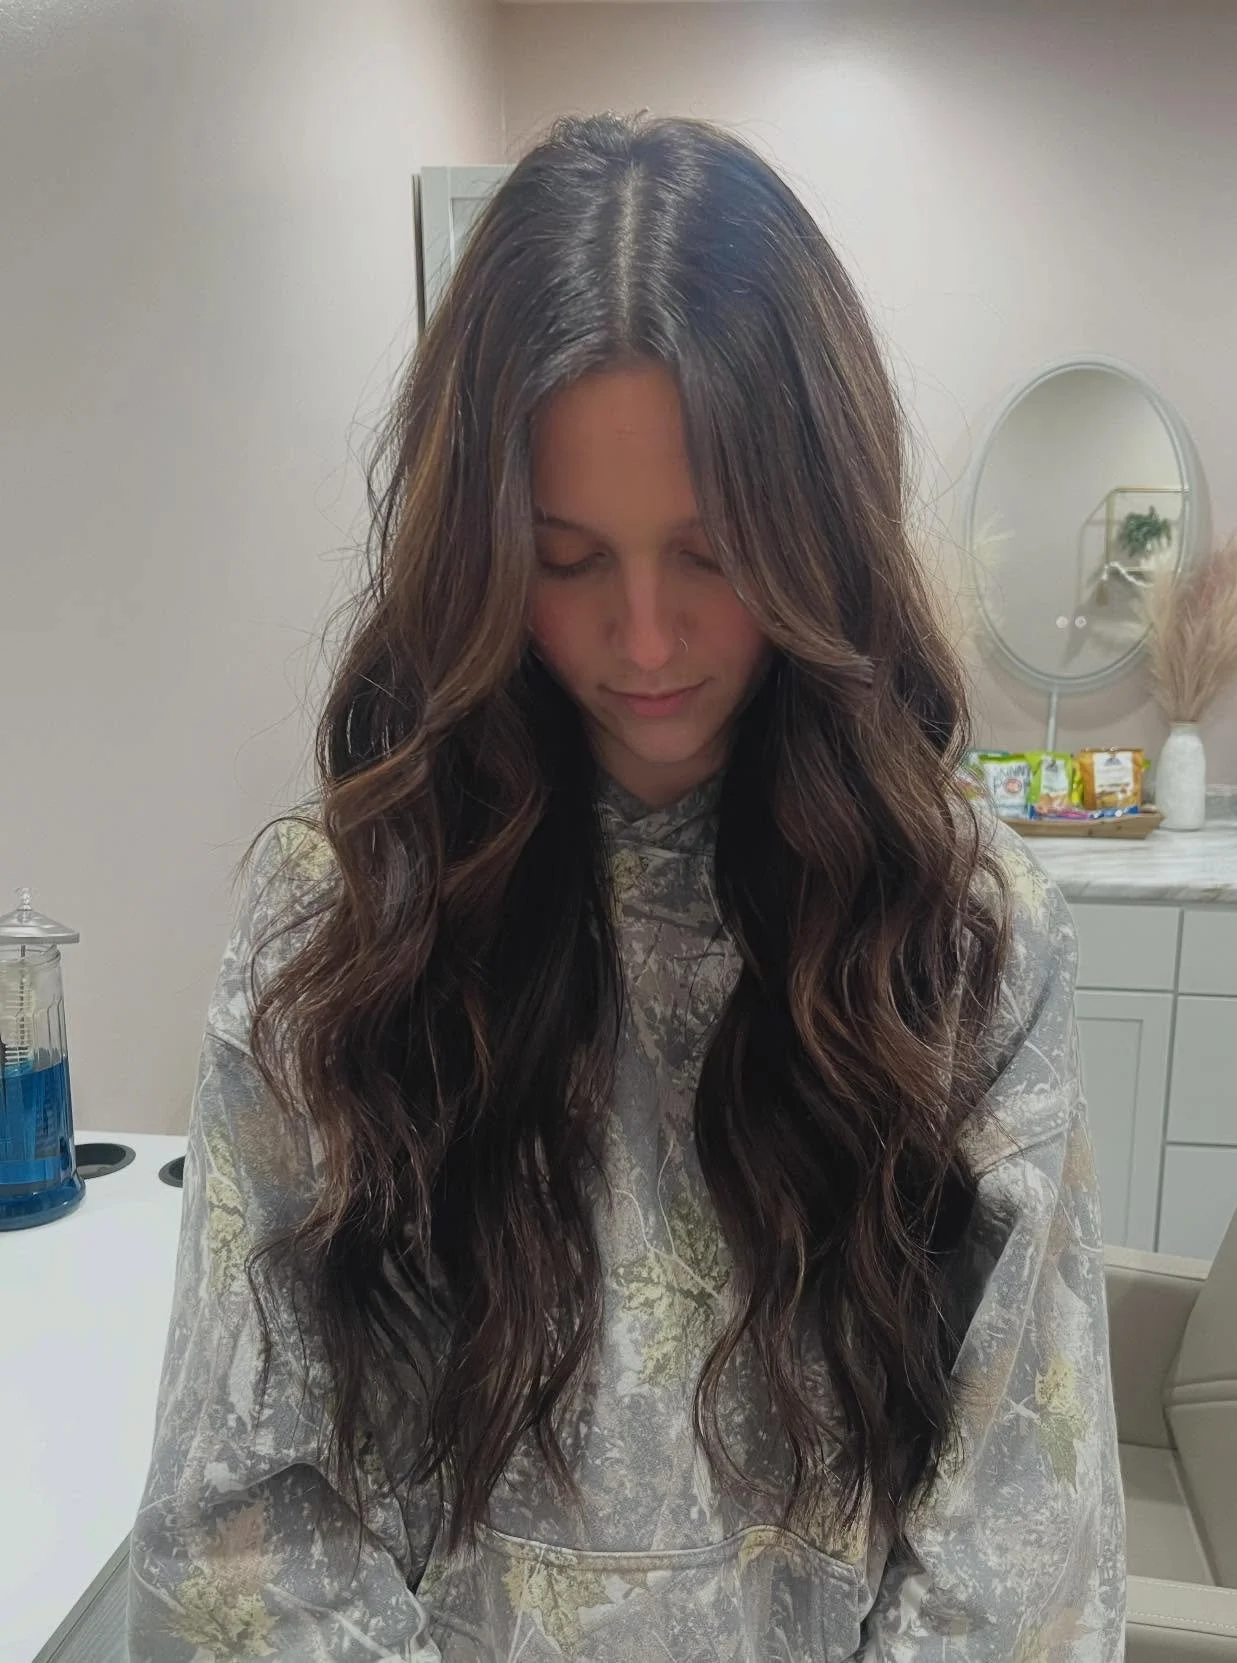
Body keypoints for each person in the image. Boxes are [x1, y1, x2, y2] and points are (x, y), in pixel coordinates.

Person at [126, 111, 1126, 1661]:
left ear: (818, 536)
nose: (646, 642)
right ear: (476, 545)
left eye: (715, 552)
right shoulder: (339, 924)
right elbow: (230, 1535)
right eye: (567, 557)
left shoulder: (962, 936)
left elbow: (1020, 1546)